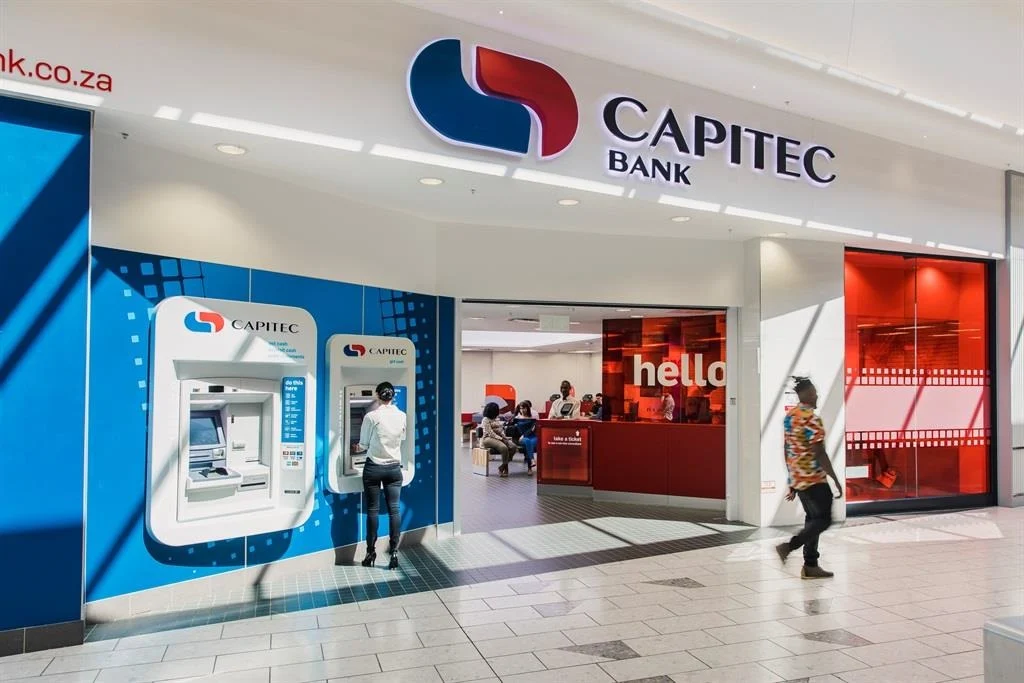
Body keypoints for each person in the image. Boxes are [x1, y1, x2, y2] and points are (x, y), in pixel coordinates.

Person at [776, 377, 842, 579]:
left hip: (799, 479)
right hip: (814, 480)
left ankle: (810, 566)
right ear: (807, 395)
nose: (817, 396)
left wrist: (792, 481)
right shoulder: (811, 419)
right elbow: (819, 453)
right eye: (814, 393)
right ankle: (789, 546)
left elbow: (788, 449)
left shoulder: (791, 417)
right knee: (824, 520)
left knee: (813, 520)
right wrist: (835, 478)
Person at [351, 381, 406, 570]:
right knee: (394, 510)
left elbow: (363, 445)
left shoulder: (371, 416)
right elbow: (401, 438)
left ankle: (370, 553)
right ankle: (394, 553)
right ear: (393, 396)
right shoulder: (402, 416)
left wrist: (355, 448)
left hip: (373, 468)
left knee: (373, 510)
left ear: (377, 395)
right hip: (394, 468)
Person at [481, 401, 518, 477]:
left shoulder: (496, 419)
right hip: (487, 438)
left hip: (499, 437)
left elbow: (501, 430)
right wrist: (501, 439)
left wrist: (504, 437)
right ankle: (506, 468)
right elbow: (490, 432)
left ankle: (503, 466)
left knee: (513, 447)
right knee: (503, 448)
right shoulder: (485, 419)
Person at [513, 402, 538, 475]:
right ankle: (531, 461)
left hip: (532, 436)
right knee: (528, 441)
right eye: (521, 408)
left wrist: (524, 435)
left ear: (527, 408)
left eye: (524, 408)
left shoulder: (532, 418)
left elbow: (532, 430)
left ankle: (530, 465)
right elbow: (515, 430)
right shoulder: (516, 418)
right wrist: (522, 436)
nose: (522, 410)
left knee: (531, 443)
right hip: (521, 438)